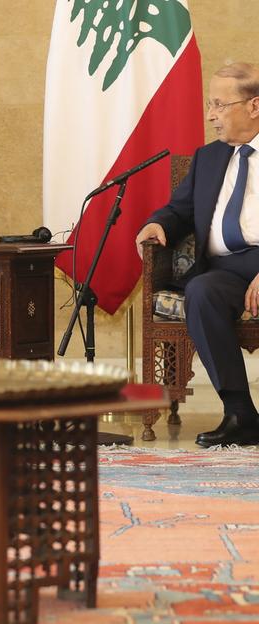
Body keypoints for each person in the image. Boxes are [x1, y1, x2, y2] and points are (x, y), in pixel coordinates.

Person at [136, 61, 259, 448]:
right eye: (210, 104)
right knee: (201, 292)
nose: (211, 116)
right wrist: (159, 224)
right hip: (226, 269)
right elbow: (180, 209)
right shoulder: (209, 158)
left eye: (220, 105)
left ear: (254, 106)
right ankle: (240, 414)